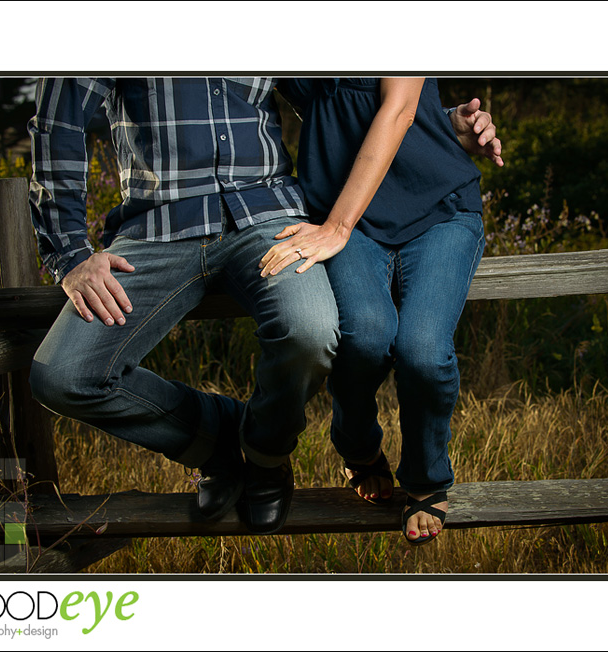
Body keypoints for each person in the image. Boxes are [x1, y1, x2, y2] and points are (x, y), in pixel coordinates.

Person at [27, 76, 499, 537]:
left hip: (266, 215)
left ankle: (267, 455)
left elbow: (346, 95)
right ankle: (221, 438)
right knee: (63, 375)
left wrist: (437, 124)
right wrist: (69, 253)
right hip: (159, 224)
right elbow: (57, 126)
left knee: (313, 331)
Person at [259, 77, 503, 545]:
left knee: (423, 351)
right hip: (343, 205)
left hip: (433, 205)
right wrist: (448, 119)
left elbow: (399, 108)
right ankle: (359, 448)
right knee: (364, 336)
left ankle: (427, 477)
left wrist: (336, 226)